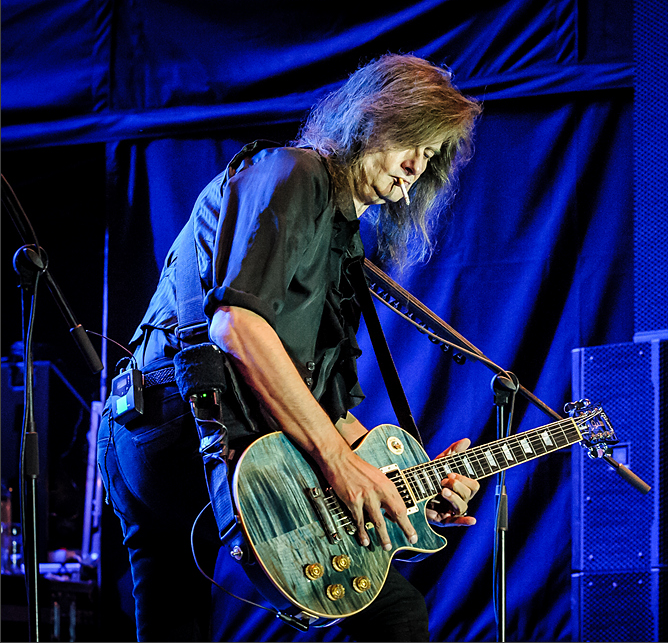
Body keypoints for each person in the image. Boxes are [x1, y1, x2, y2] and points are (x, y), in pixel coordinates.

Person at [97, 54, 483, 642]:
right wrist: (338, 462)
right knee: (393, 614)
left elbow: (323, 408)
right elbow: (236, 325)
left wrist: (407, 486)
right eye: (411, 141)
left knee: (173, 621)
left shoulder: (341, 240)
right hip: (179, 422)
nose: (416, 165)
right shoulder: (296, 173)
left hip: (161, 424)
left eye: (430, 154)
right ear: (370, 119)